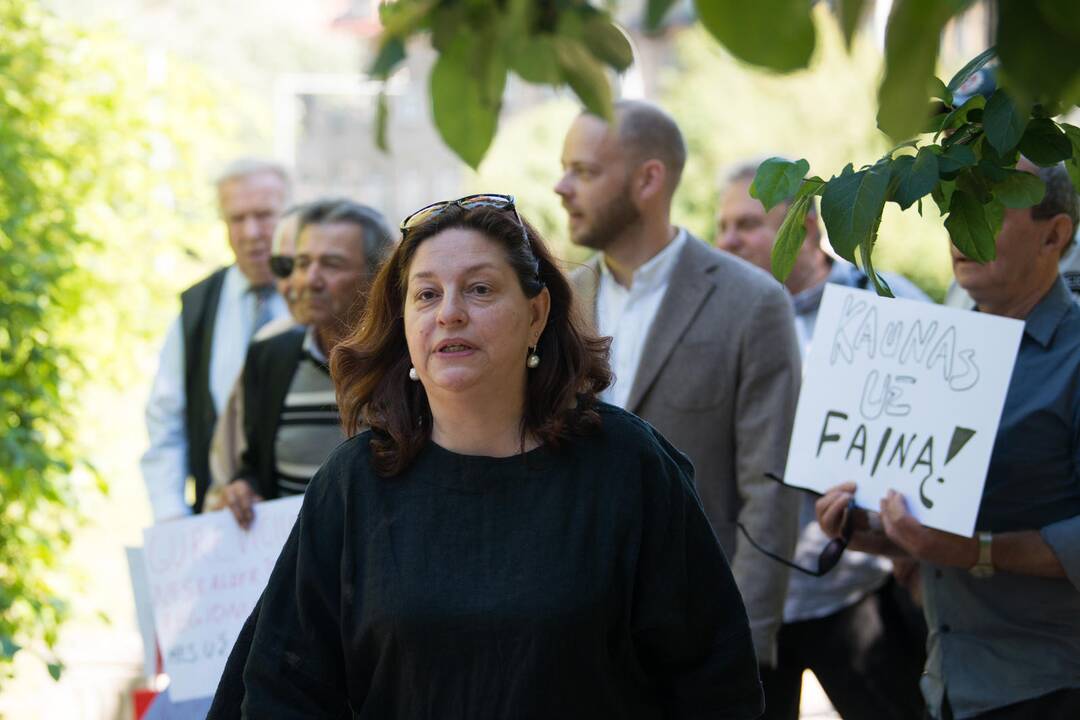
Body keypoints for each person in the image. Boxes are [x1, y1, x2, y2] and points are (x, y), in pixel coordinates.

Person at [208, 195, 765, 718]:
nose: (449, 313)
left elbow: (716, 684)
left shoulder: (628, 467)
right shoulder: (355, 483)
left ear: (537, 313)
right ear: (404, 326)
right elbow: (284, 686)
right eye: (426, 294)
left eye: (479, 289)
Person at [816, 159, 1080, 720]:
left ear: (1055, 234)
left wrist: (976, 550)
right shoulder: (936, 354)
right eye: (953, 210)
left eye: (986, 210)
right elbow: (938, 537)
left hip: (1055, 690)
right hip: (949, 685)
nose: (960, 231)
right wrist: (872, 531)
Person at [555, 100, 801, 668]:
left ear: (648, 179)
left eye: (585, 171)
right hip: (574, 637)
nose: (561, 187)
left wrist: (746, 644)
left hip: (700, 634)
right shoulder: (558, 303)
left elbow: (771, 490)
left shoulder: (753, 302)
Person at [717, 160, 928, 719]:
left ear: (805, 229)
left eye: (747, 224)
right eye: (723, 226)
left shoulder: (885, 305)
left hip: (860, 596)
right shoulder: (718, 326)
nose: (727, 241)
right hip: (753, 607)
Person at [222, 199, 395, 528]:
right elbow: (255, 468)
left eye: (331, 264)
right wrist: (244, 488)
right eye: (301, 263)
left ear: (378, 276)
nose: (308, 280)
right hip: (296, 571)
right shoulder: (269, 358)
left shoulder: (411, 367)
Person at [141, 158, 291, 521]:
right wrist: (171, 516)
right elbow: (166, 418)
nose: (252, 231)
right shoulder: (197, 306)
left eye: (265, 214)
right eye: (237, 218)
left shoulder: (322, 299)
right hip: (217, 529)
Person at [206, 203, 308, 508]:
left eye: (263, 213)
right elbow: (232, 469)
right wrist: (239, 489)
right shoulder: (267, 348)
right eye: (282, 268)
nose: (298, 282)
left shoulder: (400, 357)